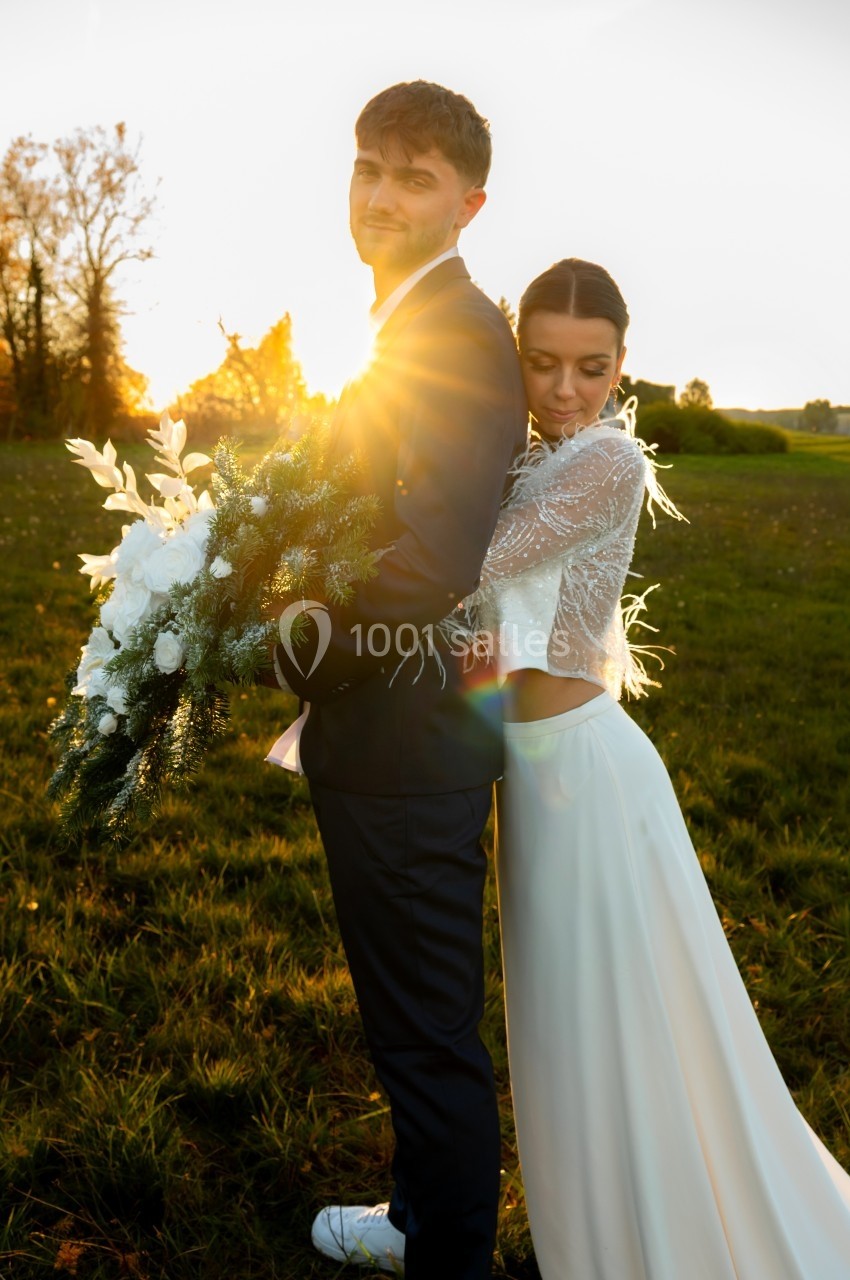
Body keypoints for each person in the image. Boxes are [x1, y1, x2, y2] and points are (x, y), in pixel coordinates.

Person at [474, 257, 850, 1278]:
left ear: (620, 366)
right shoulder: (525, 450)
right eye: (541, 364)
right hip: (534, 774)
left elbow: (480, 562)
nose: (563, 390)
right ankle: (588, 1226)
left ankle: (651, 1235)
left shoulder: (606, 462)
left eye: (588, 369)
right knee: (558, 1023)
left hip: (587, 779)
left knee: (621, 1024)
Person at [271, 82, 527, 1278]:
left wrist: (280, 632)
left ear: (468, 202)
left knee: (426, 1032)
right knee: (406, 1021)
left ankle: (448, 1257)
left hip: (410, 738)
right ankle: (422, 1218)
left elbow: (428, 559)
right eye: (369, 166)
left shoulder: (457, 332)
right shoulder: (399, 325)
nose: (379, 194)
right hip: (390, 735)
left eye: (413, 176)